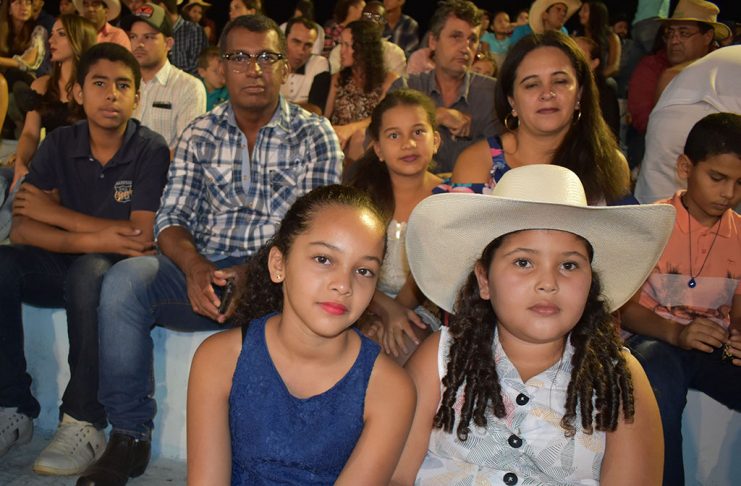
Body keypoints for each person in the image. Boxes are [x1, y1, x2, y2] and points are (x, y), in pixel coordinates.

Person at [77, 15, 343, 484]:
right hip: (203, 273)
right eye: (239, 57)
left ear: (284, 67)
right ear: (221, 66)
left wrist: (255, 272)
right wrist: (194, 267)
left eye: (266, 57)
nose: (253, 69)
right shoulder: (199, 133)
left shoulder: (314, 134)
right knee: (124, 282)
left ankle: (279, 457)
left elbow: (315, 231)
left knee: (306, 276)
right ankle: (129, 435)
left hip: (279, 277)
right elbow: (170, 219)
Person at [390, 163, 673, 484]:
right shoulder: (441, 358)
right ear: (484, 279)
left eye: (569, 265)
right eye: (523, 262)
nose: (548, 282)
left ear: (591, 283)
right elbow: (395, 476)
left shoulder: (619, 377)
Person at [0, 42, 169, 476]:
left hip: (109, 273)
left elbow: (138, 239)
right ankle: (12, 407)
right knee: (2, 264)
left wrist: (57, 216)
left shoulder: (150, 149)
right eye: (99, 83)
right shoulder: (60, 142)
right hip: (65, 262)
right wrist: (99, 233)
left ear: (137, 97)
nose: (111, 94)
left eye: (123, 85)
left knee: (90, 272)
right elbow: (22, 229)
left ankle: (83, 420)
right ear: (78, 92)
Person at [187, 184, 415, 484]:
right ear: (278, 264)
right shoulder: (220, 359)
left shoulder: (389, 389)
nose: (343, 284)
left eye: (363, 271)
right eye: (324, 259)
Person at [620, 113, 741, 486]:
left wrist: (738, 333)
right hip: (654, 339)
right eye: (717, 178)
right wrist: (677, 333)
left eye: (740, 183)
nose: (729, 193)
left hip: (715, 345)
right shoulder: (651, 224)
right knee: (656, 388)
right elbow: (625, 309)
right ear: (685, 168)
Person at [451, 31, 630, 205]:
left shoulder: (609, 163)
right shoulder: (477, 163)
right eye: (531, 85)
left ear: (579, 94)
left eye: (560, 81)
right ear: (512, 101)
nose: (547, 93)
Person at [344, 89, 442, 364]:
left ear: (435, 140)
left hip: (421, 306)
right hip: (361, 297)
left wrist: (394, 312)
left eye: (418, 132)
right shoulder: (362, 197)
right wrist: (382, 310)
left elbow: (426, 278)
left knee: (401, 342)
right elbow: (348, 268)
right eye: (394, 135)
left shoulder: (448, 198)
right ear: (378, 149)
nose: (408, 144)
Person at [0, 15, 97, 241]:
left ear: (79, 40)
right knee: (4, 178)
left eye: (60, 34)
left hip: (73, 171)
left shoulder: (92, 88)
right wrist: (21, 163)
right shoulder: (42, 85)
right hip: (41, 163)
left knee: (19, 196)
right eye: (52, 34)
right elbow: (30, 134)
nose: (51, 40)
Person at [388, 0, 499, 174]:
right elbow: (381, 146)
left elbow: (500, 162)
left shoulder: (492, 94)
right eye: (456, 37)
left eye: (472, 39)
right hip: (413, 188)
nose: (465, 48)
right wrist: (434, 116)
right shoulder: (405, 88)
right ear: (433, 41)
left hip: (472, 189)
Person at [634, 45, 741, 204]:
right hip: (692, 123)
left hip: (672, 113)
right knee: (667, 212)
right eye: (716, 178)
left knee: (660, 208)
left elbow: (669, 74)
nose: (729, 193)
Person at [627, 0, 729, 137]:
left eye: (684, 33)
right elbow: (644, 121)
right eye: (670, 33)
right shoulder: (651, 67)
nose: (674, 41)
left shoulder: (724, 67)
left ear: (707, 37)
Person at [123, 2, 206, 150]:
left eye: (148, 37)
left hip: (165, 166)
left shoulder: (189, 87)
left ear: (168, 44)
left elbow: (187, 150)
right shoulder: (122, 85)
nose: (139, 44)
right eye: (133, 37)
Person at [325, 19, 397, 161]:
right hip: (338, 142)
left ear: (364, 49)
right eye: (341, 44)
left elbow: (382, 118)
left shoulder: (388, 80)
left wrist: (350, 129)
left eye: (347, 45)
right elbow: (326, 117)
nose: (341, 51)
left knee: (360, 136)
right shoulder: (338, 78)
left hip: (368, 144)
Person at [0, 0, 48, 134]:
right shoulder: (2, 31)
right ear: (9, 9)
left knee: (17, 80)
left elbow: (29, 62)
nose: (24, 7)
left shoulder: (39, 30)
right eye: (19, 3)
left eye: (28, 3)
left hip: (32, 79)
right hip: (9, 80)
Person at [328, 2, 407, 78]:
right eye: (367, 16)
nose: (372, 20)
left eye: (377, 17)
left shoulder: (394, 53)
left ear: (384, 23)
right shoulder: (339, 51)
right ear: (360, 19)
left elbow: (398, 84)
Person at [280, 17, 330, 114]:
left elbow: (316, 110)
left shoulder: (319, 64)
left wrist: (277, 106)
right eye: (296, 42)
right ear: (284, 40)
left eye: (308, 45)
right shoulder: (271, 62)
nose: (301, 51)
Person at [574, 36, 619, 138]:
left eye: (579, 54)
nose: (572, 58)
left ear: (594, 63)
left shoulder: (605, 93)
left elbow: (609, 134)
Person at [153, 0, 208, 76]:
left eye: (154, 11)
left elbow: (197, 67)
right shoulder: (160, 33)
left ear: (162, 7)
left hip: (188, 82)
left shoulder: (194, 30)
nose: (153, 17)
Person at [575, 1, 621, 78]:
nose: (580, 13)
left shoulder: (611, 37)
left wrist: (596, 78)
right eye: (581, 10)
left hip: (601, 78)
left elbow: (613, 67)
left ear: (595, 14)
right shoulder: (577, 35)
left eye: (585, 10)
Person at [509, 0, 580, 47]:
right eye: (558, 9)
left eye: (565, 11)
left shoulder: (564, 33)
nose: (563, 14)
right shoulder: (522, 31)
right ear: (545, 15)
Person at [196, 46, 228, 111]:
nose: (221, 75)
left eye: (223, 71)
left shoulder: (229, 93)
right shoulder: (195, 90)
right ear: (202, 72)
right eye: (215, 71)